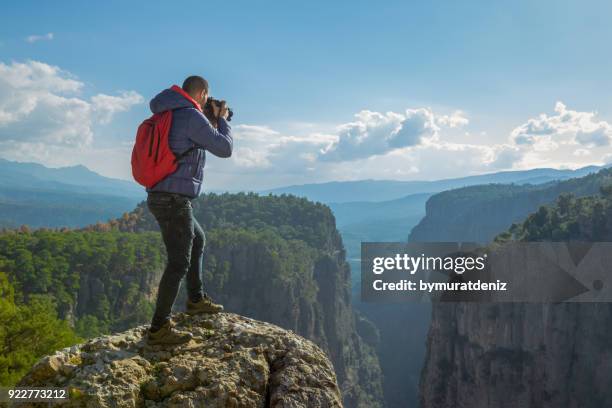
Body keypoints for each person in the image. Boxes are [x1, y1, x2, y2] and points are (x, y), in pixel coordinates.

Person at [145, 75, 233, 345]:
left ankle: (195, 300)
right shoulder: (190, 117)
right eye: (208, 97)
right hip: (173, 199)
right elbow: (224, 148)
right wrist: (224, 121)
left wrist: (213, 119)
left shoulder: (169, 112)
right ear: (203, 93)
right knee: (178, 262)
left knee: (198, 239)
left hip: (162, 194)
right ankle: (159, 328)